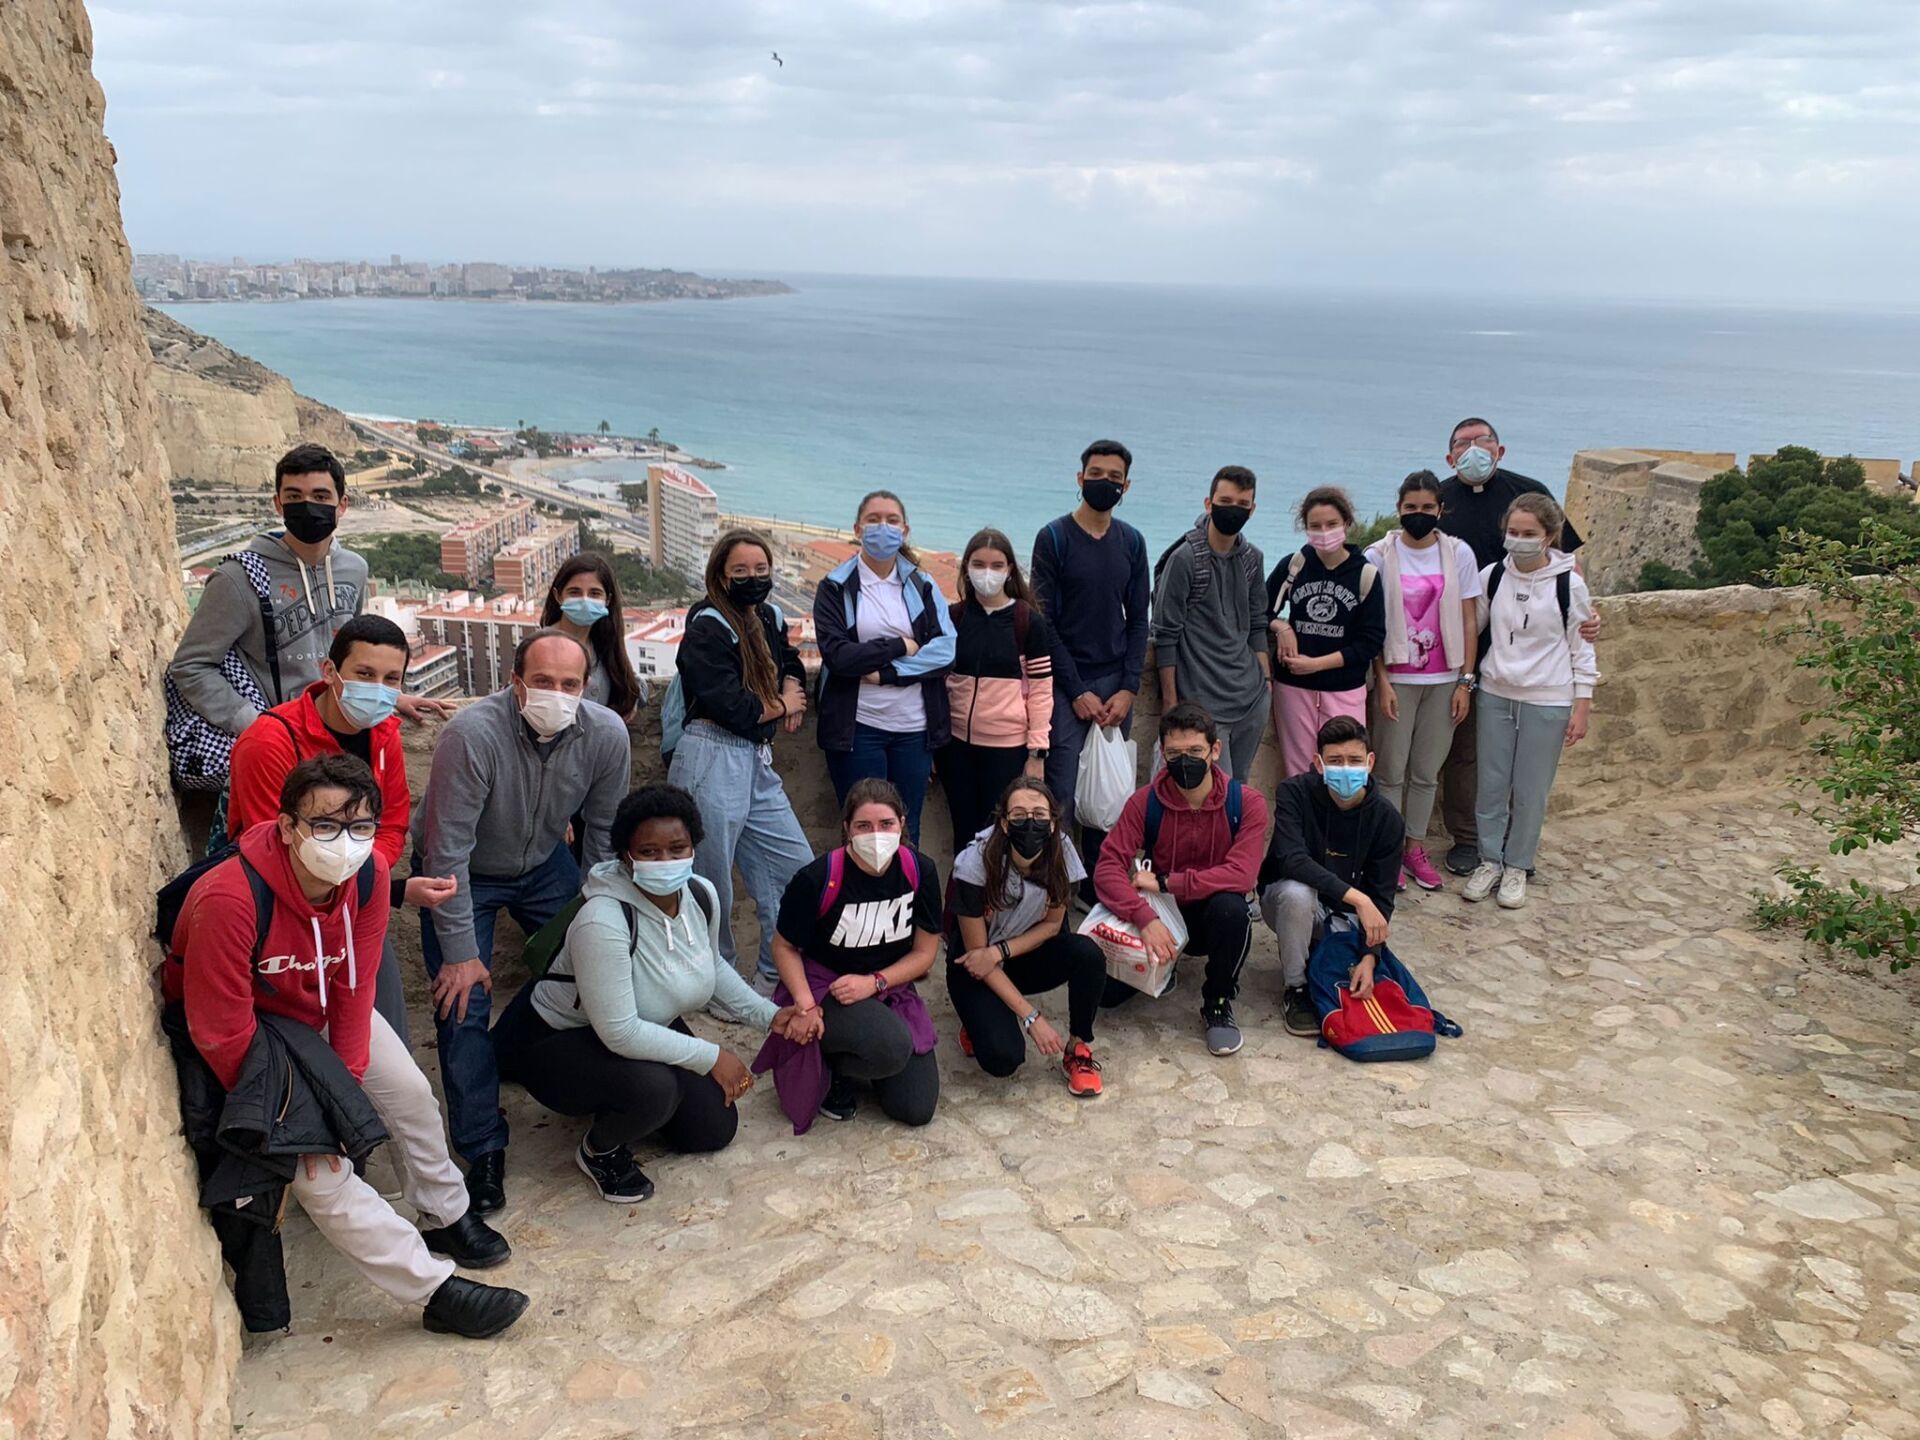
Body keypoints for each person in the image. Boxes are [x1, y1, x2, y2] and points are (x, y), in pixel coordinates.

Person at [164, 756, 524, 1338]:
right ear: (288, 827)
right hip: (256, 1038)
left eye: (360, 827)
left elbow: (355, 984)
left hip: (320, 1009)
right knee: (317, 1167)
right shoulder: (229, 899)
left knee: (410, 1093)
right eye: (326, 825)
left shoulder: (369, 875)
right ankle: (434, 1290)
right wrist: (304, 1116)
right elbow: (220, 1030)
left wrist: (345, 1085)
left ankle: (445, 1212)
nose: (345, 842)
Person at [412, 629, 632, 1215]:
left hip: (543, 863)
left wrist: (595, 912)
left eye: (569, 684)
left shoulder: (606, 734)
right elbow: (447, 850)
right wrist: (461, 954)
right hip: (463, 873)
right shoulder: (471, 735)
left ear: (585, 688)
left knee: (589, 967)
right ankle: (483, 1147)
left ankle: (508, 1051)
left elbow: (604, 833)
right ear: (515, 683)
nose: (556, 694)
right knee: (462, 1001)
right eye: (542, 681)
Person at [493, 786, 797, 1203]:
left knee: (711, 1128)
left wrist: (769, 1015)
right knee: (655, 1090)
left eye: (677, 848)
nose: (665, 861)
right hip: (562, 1038)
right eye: (649, 852)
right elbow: (620, 1032)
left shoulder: (700, 895)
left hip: (644, 1019)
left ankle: (623, 1097)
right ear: (626, 856)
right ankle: (600, 1150)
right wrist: (711, 1057)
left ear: (694, 848)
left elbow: (711, 966)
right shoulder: (602, 920)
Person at [225, 614, 459, 1043]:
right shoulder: (269, 742)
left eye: (391, 679)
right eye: (364, 674)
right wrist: (383, 886)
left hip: (352, 906)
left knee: (383, 1035)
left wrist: (359, 874)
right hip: (279, 917)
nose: (378, 688)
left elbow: (391, 823)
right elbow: (269, 846)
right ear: (330, 671)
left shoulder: (383, 735)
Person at [168, 444, 447, 753]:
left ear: (342, 504)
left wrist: (385, 695)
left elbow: (350, 655)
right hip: (280, 742)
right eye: (294, 496)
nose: (308, 506)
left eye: (320, 496)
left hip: (340, 731)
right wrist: (255, 723)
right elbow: (191, 665)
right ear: (278, 504)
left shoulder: (354, 569)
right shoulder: (237, 578)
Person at [1435, 418, 1596, 875]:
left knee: (1526, 771)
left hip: (1537, 660)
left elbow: (1568, 565)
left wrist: (1586, 614)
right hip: (1470, 654)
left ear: (1500, 449)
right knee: (1468, 756)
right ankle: (1470, 839)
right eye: (1462, 444)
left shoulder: (1530, 493)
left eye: (1482, 441)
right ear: (1450, 457)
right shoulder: (1439, 500)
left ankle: (1515, 848)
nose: (1473, 449)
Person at [667, 529, 814, 990]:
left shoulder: (768, 616)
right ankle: (717, 982)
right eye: (741, 571)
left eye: (761, 569)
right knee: (710, 883)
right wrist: (781, 705)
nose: (753, 578)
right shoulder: (707, 627)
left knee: (793, 868)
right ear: (721, 576)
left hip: (754, 759)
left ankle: (772, 974)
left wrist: (791, 687)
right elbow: (731, 706)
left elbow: (790, 661)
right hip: (710, 754)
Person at [752, 779, 941, 1130]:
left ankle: (862, 1058)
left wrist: (876, 982)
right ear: (847, 829)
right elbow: (784, 946)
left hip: (885, 986)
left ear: (902, 824)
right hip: (827, 989)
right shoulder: (817, 878)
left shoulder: (920, 871)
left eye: (886, 824)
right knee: (890, 1045)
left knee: (916, 1107)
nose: (876, 835)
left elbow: (925, 952)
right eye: (864, 826)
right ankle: (831, 1067)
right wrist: (806, 1006)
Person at [1092, 702, 1270, 1057]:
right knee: (1106, 997)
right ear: (1162, 752)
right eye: (1174, 753)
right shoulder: (1145, 802)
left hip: (1209, 913)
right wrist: (1144, 918)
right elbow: (1107, 866)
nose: (1184, 761)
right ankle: (1165, 967)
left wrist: (1166, 881)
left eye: (1195, 752)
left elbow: (1242, 874)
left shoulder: (1246, 803)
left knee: (1233, 911)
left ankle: (1218, 1001)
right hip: (1161, 914)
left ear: (1215, 750)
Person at [1463, 493, 1599, 910]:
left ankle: (1518, 865)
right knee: (1491, 785)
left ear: (1549, 536)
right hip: (1496, 692)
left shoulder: (1568, 584)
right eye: (1513, 532)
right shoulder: (1493, 576)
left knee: (1530, 790)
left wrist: (1582, 705)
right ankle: (1489, 860)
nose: (1519, 540)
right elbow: (1471, 625)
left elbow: (1582, 647)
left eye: (1529, 533)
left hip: (1548, 699)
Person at [1029, 440, 1151, 894]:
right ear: (1080, 478)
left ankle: (1103, 891)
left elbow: (1138, 620)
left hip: (1116, 681)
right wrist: (1076, 689)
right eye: (1096, 474)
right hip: (1066, 684)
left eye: (1114, 477)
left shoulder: (1132, 542)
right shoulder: (1054, 538)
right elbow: (1044, 622)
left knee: (1111, 799)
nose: (1105, 483)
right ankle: (1058, 892)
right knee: (1060, 792)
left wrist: (1129, 687)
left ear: (1126, 486)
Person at [946, 778, 1108, 1095]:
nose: (1030, 823)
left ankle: (1078, 1048)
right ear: (1005, 824)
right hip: (974, 966)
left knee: (1088, 954)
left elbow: (1052, 925)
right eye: (1019, 815)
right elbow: (979, 957)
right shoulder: (974, 864)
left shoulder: (1062, 852)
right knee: (1003, 1059)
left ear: (1052, 823)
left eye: (1039, 815)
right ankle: (978, 1019)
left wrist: (1001, 951)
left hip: (1015, 953)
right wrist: (1032, 1017)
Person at [814, 490, 957, 846]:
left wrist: (887, 673)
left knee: (907, 829)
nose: (883, 527)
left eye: (892, 521)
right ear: (857, 529)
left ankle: (906, 886)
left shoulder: (922, 585)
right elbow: (839, 656)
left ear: (905, 530)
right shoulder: (835, 587)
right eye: (873, 519)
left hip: (914, 731)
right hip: (858, 728)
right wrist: (900, 646)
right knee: (861, 830)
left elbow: (945, 651)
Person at [1364, 471, 1482, 891]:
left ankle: (1414, 848)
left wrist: (1465, 681)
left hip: (1444, 679)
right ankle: (1388, 850)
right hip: (1397, 678)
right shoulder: (1379, 556)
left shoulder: (1458, 553)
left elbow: (1469, 619)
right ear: (1399, 509)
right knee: (1390, 772)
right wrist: (1382, 680)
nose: (1419, 514)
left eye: (1427, 507)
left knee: (1426, 772)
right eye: (1411, 507)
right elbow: (1373, 624)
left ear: (1440, 510)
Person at [1259, 716, 1404, 1038]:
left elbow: (1382, 896)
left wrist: (1370, 957)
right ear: (1318, 763)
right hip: (1287, 905)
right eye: (1335, 761)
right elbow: (1292, 860)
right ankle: (1296, 988)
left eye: (1355, 760)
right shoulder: (1293, 793)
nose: (1346, 769)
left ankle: (1323, 952)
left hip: (1345, 919)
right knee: (1296, 894)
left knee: (1361, 971)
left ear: (1370, 762)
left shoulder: (1387, 819)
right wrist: (1358, 898)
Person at [938, 528, 1057, 852]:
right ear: (966, 568)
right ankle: (964, 887)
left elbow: (1041, 691)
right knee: (963, 835)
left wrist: (1037, 753)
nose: (987, 573)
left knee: (998, 837)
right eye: (979, 564)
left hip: (1007, 751)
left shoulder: (1028, 622)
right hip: (956, 748)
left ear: (1009, 570)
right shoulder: (953, 618)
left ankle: (996, 887)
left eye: (996, 565)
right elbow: (938, 681)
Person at [1152, 466, 1271, 782]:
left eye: (1242, 504)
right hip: (1202, 702)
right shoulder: (1185, 558)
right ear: (1209, 503)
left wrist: (1266, 681)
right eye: (1226, 501)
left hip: (1251, 699)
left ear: (1252, 509)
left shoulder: (1252, 559)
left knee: (1237, 790)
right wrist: (1170, 702)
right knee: (1214, 791)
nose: (1234, 509)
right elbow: (1165, 632)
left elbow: (1257, 623)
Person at [1268, 485, 1386, 779]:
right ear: (1305, 528)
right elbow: (1258, 610)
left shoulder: (1365, 574)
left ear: (1347, 522)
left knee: (1345, 769)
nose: (1324, 532)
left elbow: (1371, 641)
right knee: (1299, 771)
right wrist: (1281, 626)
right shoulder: (1294, 566)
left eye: (1332, 524)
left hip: (1344, 687)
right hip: (1293, 688)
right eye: (1315, 526)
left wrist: (1317, 664)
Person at [542, 552, 646, 723]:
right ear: (558, 595)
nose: (585, 600)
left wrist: (633, 696)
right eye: (574, 592)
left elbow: (633, 682)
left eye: (594, 593)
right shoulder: (540, 646)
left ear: (607, 599)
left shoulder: (602, 645)